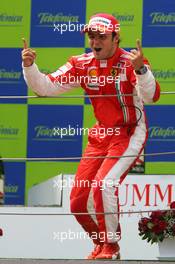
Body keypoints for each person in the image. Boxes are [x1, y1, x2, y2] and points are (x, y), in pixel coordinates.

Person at [22, 13, 160, 260]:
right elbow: (44, 88)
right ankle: (101, 243)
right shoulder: (81, 64)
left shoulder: (131, 62)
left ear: (116, 38)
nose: (95, 41)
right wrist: (29, 67)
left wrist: (141, 69)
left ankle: (111, 246)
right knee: (77, 202)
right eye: (91, 36)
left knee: (105, 184)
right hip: (101, 135)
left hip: (129, 132)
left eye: (102, 36)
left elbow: (151, 96)